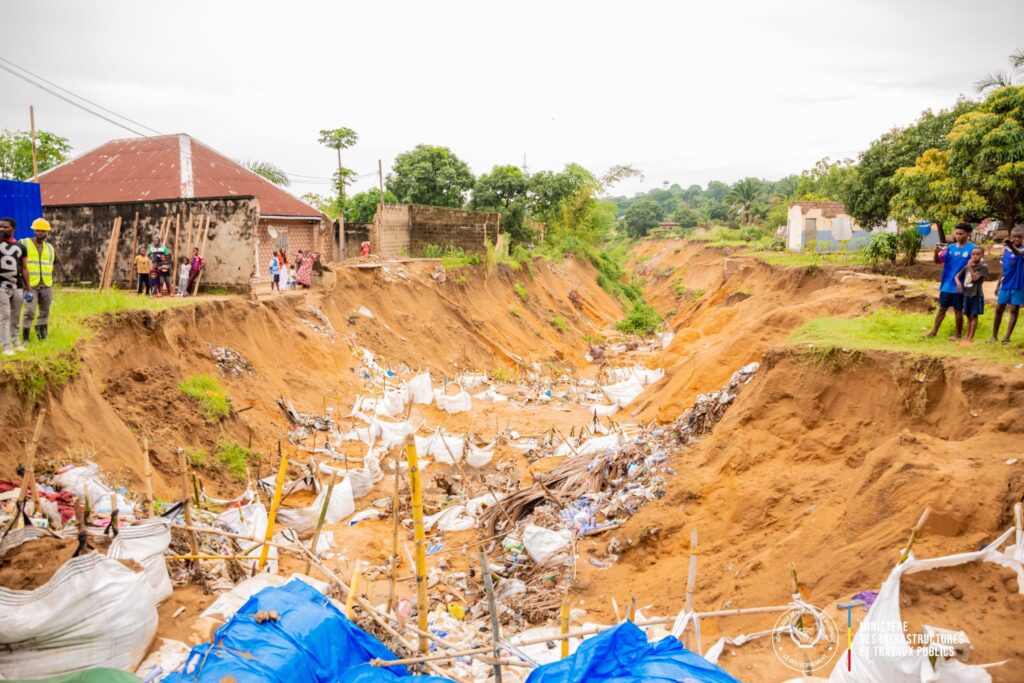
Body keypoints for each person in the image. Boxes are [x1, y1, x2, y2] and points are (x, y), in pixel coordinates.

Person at [924, 223, 976, 340]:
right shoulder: (950, 248)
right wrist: (936, 253)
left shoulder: (973, 249)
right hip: (947, 284)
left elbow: (974, 266)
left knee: (958, 310)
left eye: (961, 234)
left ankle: (958, 334)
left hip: (961, 285)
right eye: (956, 233)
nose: (958, 236)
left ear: (968, 234)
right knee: (942, 308)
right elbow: (938, 261)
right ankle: (933, 332)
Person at [21, 218, 56, 342]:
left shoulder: (50, 248)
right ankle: (25, 338)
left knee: (45, 311)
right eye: (38, 230)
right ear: (34, 231)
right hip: (30, 285)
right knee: (30, 311)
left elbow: (56, 262)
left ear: (47, 232)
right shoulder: (24, 243)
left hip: (46, 284)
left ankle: (42, 336)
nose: (41, 232)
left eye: (43, 231)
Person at [0, 217, 31, 355]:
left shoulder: (21, 247)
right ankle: (6, 346)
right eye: (0, 227)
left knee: (16, 315)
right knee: (4, 315)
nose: (1, 229)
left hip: (17, 286)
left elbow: (24, 268)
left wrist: (27, 286)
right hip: (1, 286)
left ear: (14, 229)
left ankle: (15, 341)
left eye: (5, 227)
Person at [991, 226, 1024, 345]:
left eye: (1019, 237)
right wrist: (997, 285)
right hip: (1005, 284)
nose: (1016, 239)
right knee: (999, 308)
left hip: (1018, 285)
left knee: (1014, 310)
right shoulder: (1006, 251)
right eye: (1014, 237)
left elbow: (1019, 253)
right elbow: (1003, 270)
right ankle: (994, 336)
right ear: (1011, 237)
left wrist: (1010, 245)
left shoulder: (1021, 249)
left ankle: (1007, 337)